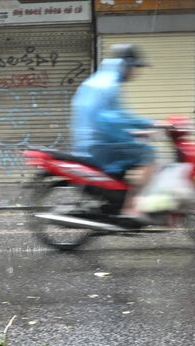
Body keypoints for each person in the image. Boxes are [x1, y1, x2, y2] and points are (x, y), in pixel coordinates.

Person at [70, 44, 156, 219]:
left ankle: (117, 201)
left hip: (90, 142)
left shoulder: (101, 79)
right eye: (134, 68)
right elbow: (109, 119)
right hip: (100, 144)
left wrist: (133, 132)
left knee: (133, 149)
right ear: (125, 65)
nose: (135, 72)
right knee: (148, 154)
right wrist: (147, 124)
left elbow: (113, 117)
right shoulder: (109, 84)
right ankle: (132, 209)